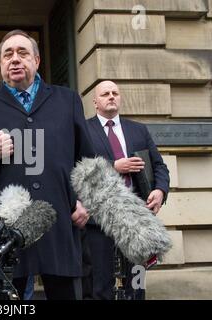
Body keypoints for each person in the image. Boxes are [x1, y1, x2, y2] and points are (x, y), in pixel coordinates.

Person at [0, 30, 95, 300]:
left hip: (59, 220)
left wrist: (85, 200)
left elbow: (87, 159)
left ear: (36, 60)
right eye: (7, 54)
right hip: (8, 226)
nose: (14, 59)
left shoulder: (67, 99)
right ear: (0, 65)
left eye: (22, 53)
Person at [85, 80, 170, 300]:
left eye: (115, 93)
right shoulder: (84, 130)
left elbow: (159, 166)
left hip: (136, 218)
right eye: (105, 94)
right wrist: (113, 166)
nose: (111, 96)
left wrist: (160, 191)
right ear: (95, 102)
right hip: (100, 218)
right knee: (100, 282)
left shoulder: (138, 129)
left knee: (137, 281)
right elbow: (77, 168)